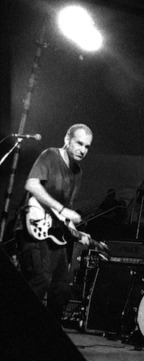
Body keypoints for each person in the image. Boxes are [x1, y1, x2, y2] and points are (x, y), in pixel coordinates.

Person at [16, 124, 93, 322]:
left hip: (54, 233)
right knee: (41, 278)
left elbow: (66, 214)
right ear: (67, 139)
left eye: (87, 146)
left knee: (61, 287)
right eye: (79, 143)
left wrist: (78, 234)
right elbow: (32, 184)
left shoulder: (78, 173)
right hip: (31, 226)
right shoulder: (50, 155)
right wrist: (61, 209)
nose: (83, 150)